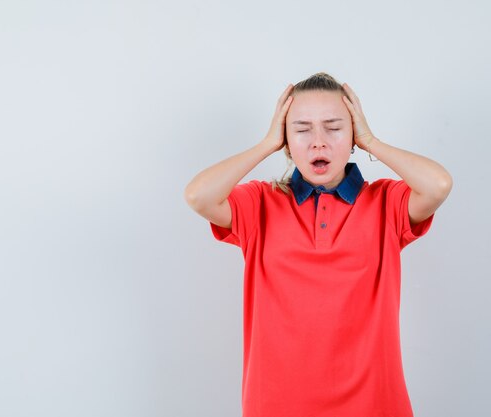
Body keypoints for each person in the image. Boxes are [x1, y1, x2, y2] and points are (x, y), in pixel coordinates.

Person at [184, 72, 453, 417]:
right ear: (286, 137)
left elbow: (439, 185)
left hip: (374, 405)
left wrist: (370, 140)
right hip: (276, 405)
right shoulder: (260, 204)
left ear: (353, 133)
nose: (318, 142)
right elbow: (197, 195)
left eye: (334, 127)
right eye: (301, 129)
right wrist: (267, 144)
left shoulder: (386, 203)